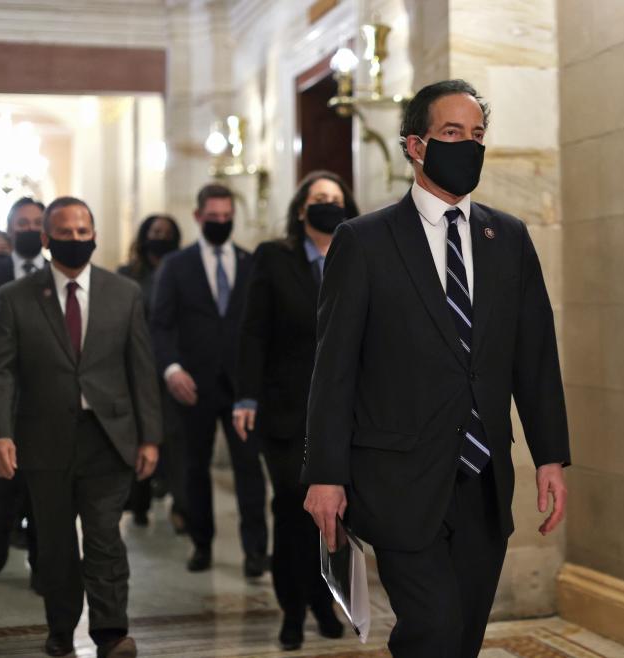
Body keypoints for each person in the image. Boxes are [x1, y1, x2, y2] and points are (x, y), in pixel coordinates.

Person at [301, 80, 571, 658]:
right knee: (435, 630)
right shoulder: (363, 242)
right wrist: (325, 474)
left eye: (477, 135)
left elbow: (536, 358)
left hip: (483, 479)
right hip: (396, 479)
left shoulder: (509, 238)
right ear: (415, 145)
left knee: (464, 636)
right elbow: (334, 368)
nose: (468, 146)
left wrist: (550, 455)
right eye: (452, 133)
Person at [0, 196, 161, 658]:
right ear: (45, 239)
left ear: (95, 234)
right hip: (44, 440)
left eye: (84, 231)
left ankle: (111, 632)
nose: (77, 240)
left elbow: (141, 367)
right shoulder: (16, 297)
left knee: (104, 537)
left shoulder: (124, 293)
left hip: (108, 438)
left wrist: (150, 436)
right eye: (66, 232)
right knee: (56, 543)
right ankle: (61, 628)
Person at [233, 171, 355, 650]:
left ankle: (327, 601)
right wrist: (246, 396)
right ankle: (292, 608)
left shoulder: (358, 254)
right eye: (319, 198)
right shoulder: (274, 257)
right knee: (290, 509)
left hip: (346, 415)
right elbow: (252, 331)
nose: (327, 205)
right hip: (286, 411)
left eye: (336, 199)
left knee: (336, 515)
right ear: (302, 208)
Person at [151, 183, 268, 576]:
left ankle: (256, 551)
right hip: (193, 385)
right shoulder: (176, 266)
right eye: (213, 217)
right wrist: (171, 369)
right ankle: (201, 544)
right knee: (195, 469)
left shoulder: (251, 263)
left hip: (242, 388)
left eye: (227, 217)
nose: (220, 223)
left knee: (249, 471)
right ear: (198, 217)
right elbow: (161, 324)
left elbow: (262, 328)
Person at [0, 198, 46, 575]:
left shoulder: (57, 275)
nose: (30, 229)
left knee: (39, 482)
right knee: (1, 481)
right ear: (10, 225)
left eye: (38, 222)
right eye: (23, 223)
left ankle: (38, 558)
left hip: (44, 400)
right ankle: (0, 532)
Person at [118, 214, 186, 531]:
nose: (160, 236)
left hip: (172, 366)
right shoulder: (127, 275)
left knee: (173, 438)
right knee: (138, 436)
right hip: (134, 365)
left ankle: (178, 503)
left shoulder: (181, 269)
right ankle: (139, 500)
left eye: (167, 232)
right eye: (155, 231)